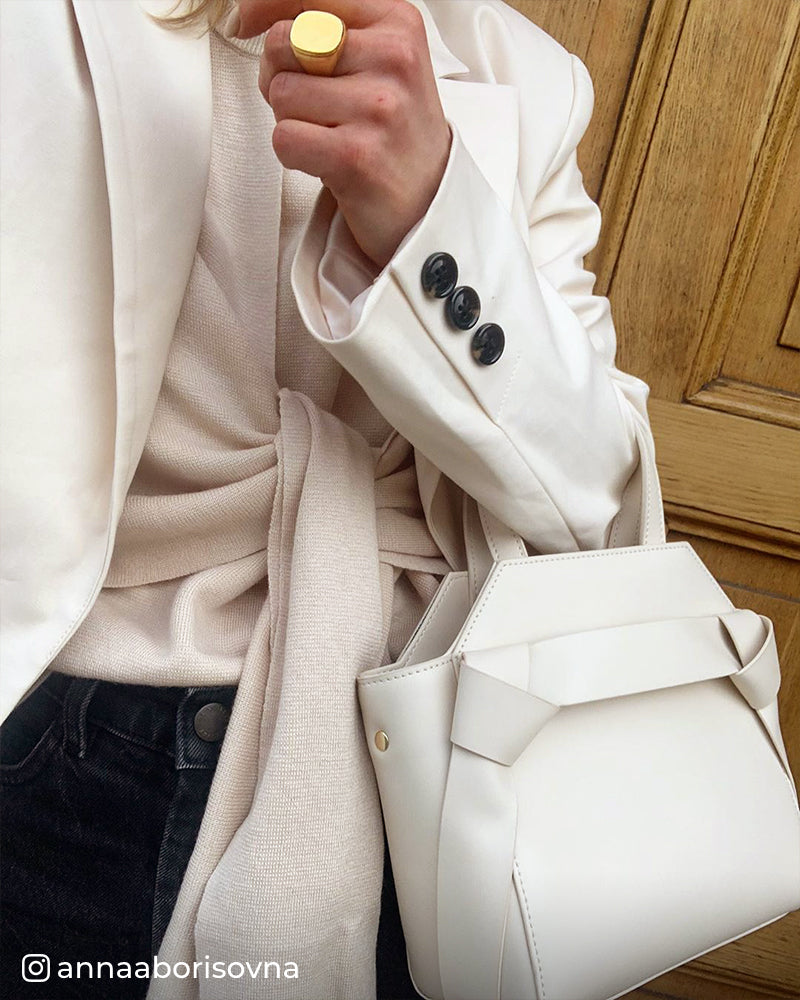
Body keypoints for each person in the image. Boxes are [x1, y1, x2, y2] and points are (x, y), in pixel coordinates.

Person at [0, 0, 653, 997]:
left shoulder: (522, 74)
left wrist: (431, 219)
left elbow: (593, 498)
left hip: (404, 757)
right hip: (56, 716)